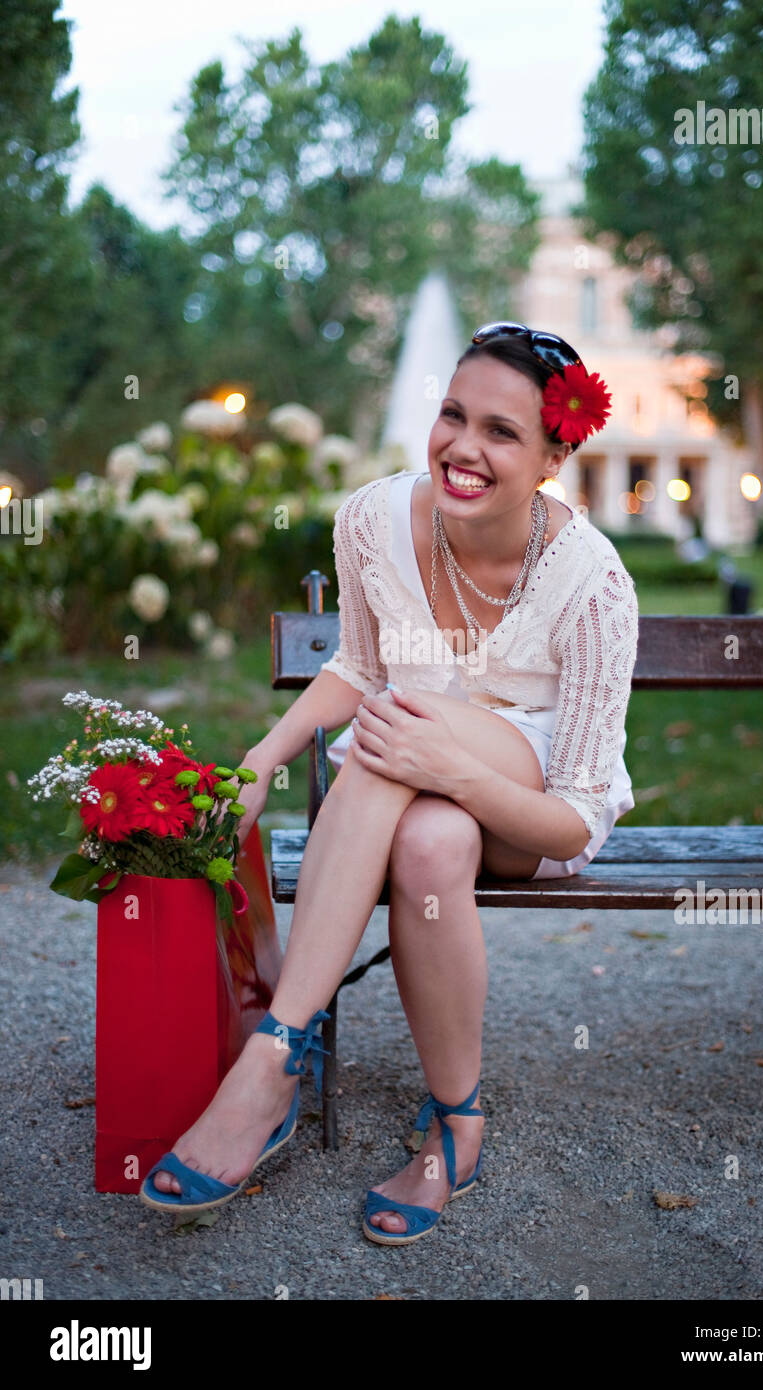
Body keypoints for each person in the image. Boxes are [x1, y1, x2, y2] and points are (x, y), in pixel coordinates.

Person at [140, 322, 639, 1245]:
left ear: (552, 455)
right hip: (408, 770)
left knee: (401, 730)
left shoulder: (593, 583)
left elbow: (571, 821)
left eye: (502, 432)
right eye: (455, 415)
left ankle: (272, 1059)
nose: (464, 447)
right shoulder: (374, 519)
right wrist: (259, 761)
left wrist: (447, 765)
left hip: (530, 796)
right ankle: (459, 1123)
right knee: (428, 840)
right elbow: (360, 666)